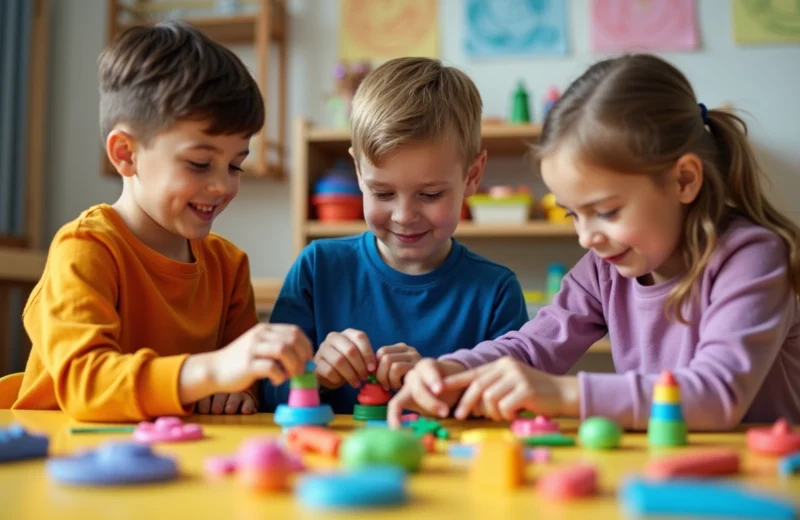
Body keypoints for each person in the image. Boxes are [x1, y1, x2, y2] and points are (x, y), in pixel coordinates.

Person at [388, 54, 800, 430]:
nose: (587, 237)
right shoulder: (604, 269)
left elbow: (717, 394)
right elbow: (531, 347)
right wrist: (451, 369)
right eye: (573, 213)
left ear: (684, 180)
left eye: (606, 211)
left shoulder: (752, 258)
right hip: (663, 474)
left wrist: (563, 394)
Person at [11, 21, 312, 421]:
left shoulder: (228, 266)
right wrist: (216, 370)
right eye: (200, 163)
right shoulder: (85, 249)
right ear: (125, 154)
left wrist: (239, 390)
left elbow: (240, 384)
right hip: (59, 460)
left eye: (236, 165)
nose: (222, 185)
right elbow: (86, 383)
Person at [262, 57, 528, 413]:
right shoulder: (318, 268)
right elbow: (264, 391)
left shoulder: (495, 292)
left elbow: (518, 403)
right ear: (358, 171)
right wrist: (314, 375)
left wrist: (439, 383)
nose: (404, 216)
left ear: (472, 176)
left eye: (430, 194)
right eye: (383, 193)